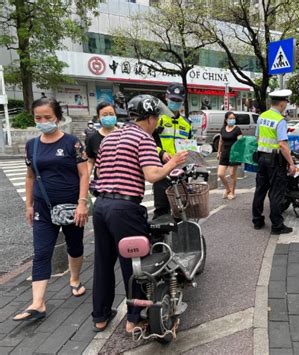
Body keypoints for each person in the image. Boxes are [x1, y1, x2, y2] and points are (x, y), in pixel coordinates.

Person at [92, 94, 187, 333]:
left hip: (101, 206)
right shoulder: (142, 138)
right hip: (124, 209)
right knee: (134, 265)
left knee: (103, 262)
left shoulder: (110, 138)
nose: (156, 123)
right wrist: (173, 162)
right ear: (151, 118)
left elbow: (101, 172)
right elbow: (153, 175)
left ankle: (101, 316)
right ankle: (134, 318)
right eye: (156, 118)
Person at [13, 98, 89, 321]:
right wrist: (28, 205)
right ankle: (38, 303)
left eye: (47, 117)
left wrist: (82, 203)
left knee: (75, 247)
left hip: (71, 207)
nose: (43, 121)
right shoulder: (32, 145)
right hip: (43, 209)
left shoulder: (72, 143)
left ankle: (74, 279)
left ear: (57, 117)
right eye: (38, 118)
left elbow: (84, 173)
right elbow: (30, 177)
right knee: (42, 252)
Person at [252, 89, 297, 235]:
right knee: (276, 193)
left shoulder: (262, 116)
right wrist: (291, 163)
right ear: (283, 103)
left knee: (260, 190)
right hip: (275, 161)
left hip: (261, 158)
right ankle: (277, 226)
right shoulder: (280, 120)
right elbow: (283, 145)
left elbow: (257, 138)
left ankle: (257, 220)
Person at [152, 83, 193, 219]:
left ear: (183, 102)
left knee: (181, 209)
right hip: (161, 169)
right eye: (172, 100)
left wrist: (194, 158)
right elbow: (146, 140)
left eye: (178, 101)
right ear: (166, 98)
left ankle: (180, 238)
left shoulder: (186, 123)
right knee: (161, 209)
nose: (175, 103)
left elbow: (190, 145)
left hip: (181, 172)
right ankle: (159, 239)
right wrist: (161, 153)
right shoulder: (156, 119)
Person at [86, 102, 119, 183]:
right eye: (104, 115)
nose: (108, 117)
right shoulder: (93, 138)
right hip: (102, 184)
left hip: (123, 182)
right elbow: (90, 161)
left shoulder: (126, 134)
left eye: (111, 114)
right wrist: (85, 178)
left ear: (115, 116)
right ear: (99, 118)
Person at [217, 111, 243, 199]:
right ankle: (227, 189)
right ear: (226, 119)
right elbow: (221, 141)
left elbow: (240, 142)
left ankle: (232, 192)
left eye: (233, 118)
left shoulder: (237, 129)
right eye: (230, 118)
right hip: (224, 153)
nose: (232, 120)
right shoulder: (223, 129)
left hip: (234, 154)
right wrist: (218, 152)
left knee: (232, 174)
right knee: (220, 174)